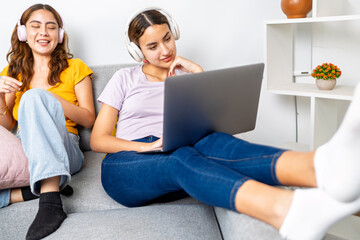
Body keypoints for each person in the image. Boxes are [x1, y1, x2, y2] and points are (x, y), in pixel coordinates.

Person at [90, 7, 360, 240]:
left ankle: (321, 168)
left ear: (174, 33)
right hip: (127, 165)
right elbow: (98, 139)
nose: (165, 50)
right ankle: (286, 210)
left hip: (181, 154)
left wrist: (197, 74)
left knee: (216, 142)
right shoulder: (124, 78)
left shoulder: (186, 75)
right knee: (180, 157)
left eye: (167, 39)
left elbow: (208, 125)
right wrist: (144, 147)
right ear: (137, 52)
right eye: (153, 46)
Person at [0, 4, 95, 240]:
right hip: (26, 148)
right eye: (36, 26)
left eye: (51, 27)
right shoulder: (12, 72)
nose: (44, 32)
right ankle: (30, 192)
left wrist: (49, 98)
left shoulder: (76, 68)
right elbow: (4, 127)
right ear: (23, 33)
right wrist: (0, 96)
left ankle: (51, 202)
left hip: (65, 146)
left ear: (59, 35)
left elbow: (89, 119)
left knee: (34, 96)